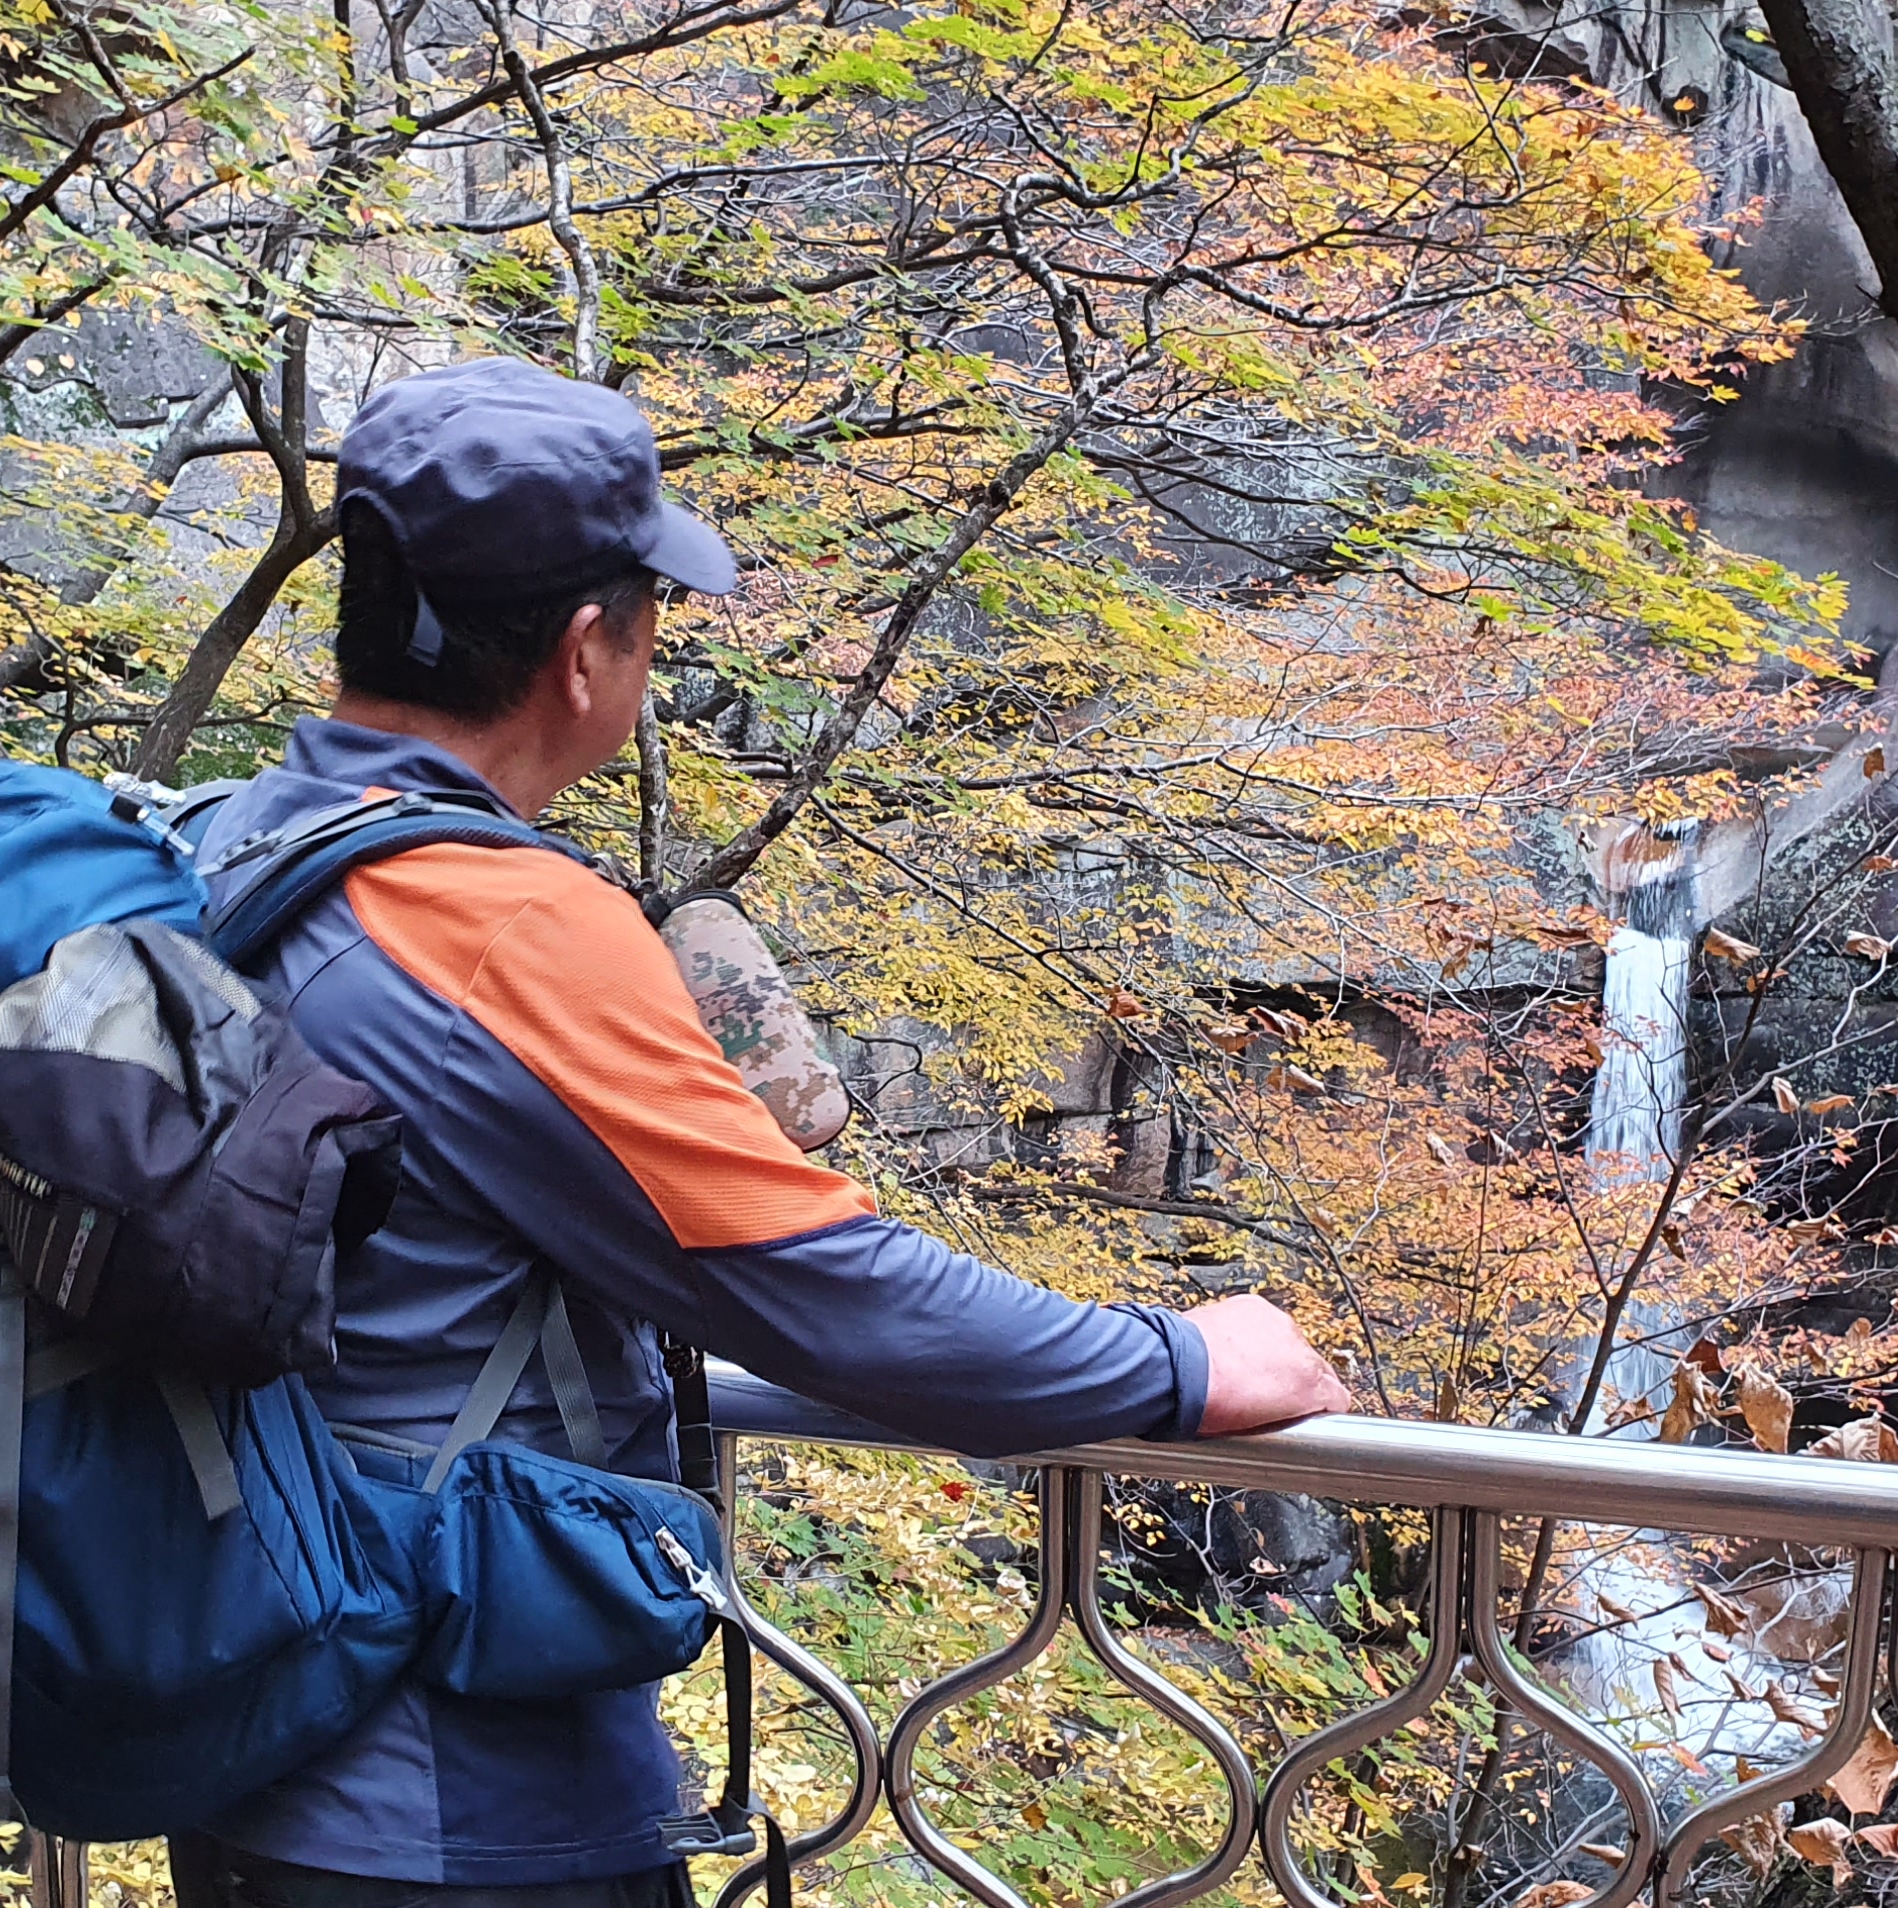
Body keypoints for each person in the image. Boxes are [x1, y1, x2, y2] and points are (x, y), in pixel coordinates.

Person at [169, 357, 1353, 1908]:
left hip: (242, 1725)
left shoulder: (221, 844)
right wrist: (1183, 1362)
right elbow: (815, 1284)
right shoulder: (500, 925)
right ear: (586, 650)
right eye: (650, 616)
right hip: (457, 1790)